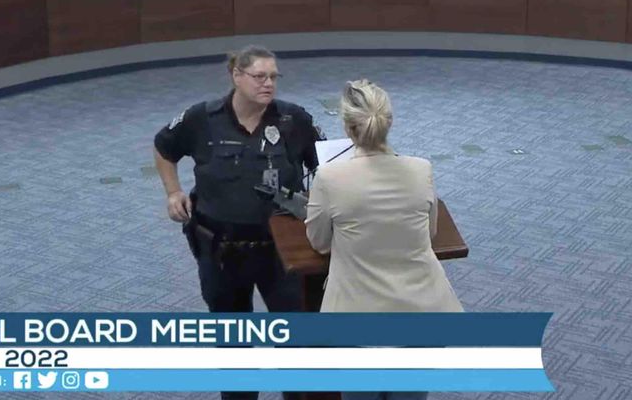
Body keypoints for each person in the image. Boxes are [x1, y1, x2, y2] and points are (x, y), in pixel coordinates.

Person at [153, 45, 321, 400]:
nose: (268, 84)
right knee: (233, 347)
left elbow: (326, 165)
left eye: (273, 77)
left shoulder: (294, 120)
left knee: (296, 343)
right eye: (259, 76)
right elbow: (164, 148)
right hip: (221, 252)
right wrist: (173, 192)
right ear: (236, 76)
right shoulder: (202, 118)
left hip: (282, 253)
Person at [305, 79, 463, 400]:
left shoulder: (330, 177)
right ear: (389, 123)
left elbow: (319, 242)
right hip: (423, 316)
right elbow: (430, 233)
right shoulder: (421, 169)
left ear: (348, 128)